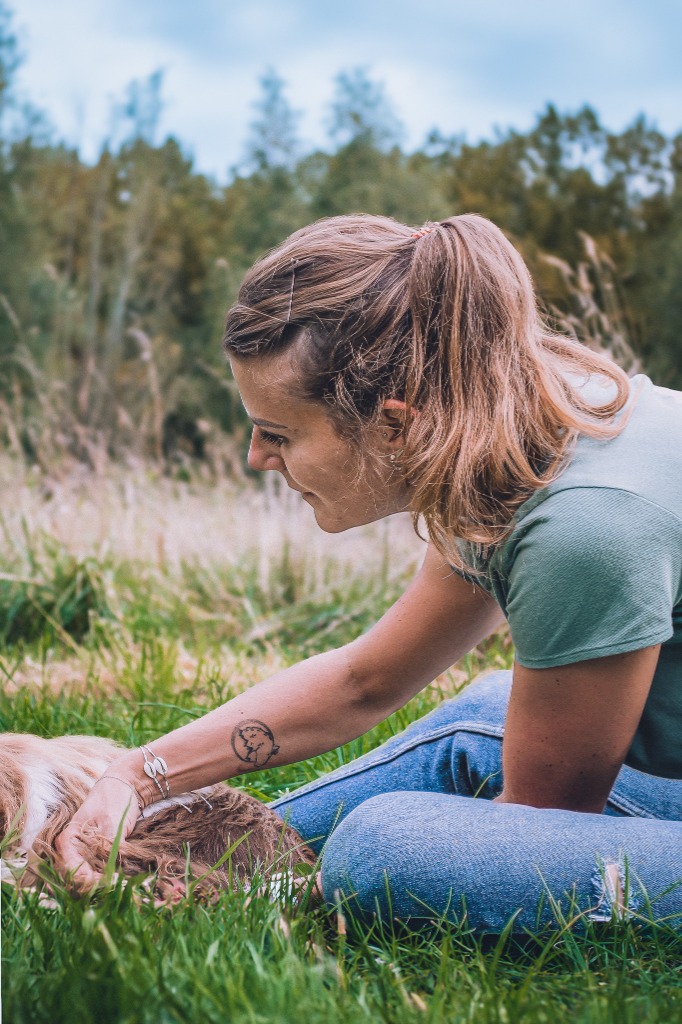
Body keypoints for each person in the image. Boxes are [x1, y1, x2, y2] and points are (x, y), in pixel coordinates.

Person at [57, 214, 682, 932]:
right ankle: (177, 857)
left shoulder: (588, 523)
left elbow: (540, 829)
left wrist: (312, 891)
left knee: (382, 849)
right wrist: (135, 777)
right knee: (483, 717)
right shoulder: (498, 423)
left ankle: (255, 889)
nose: (256, 459)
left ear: (394, 424)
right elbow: (366, 681)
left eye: (279, 433)